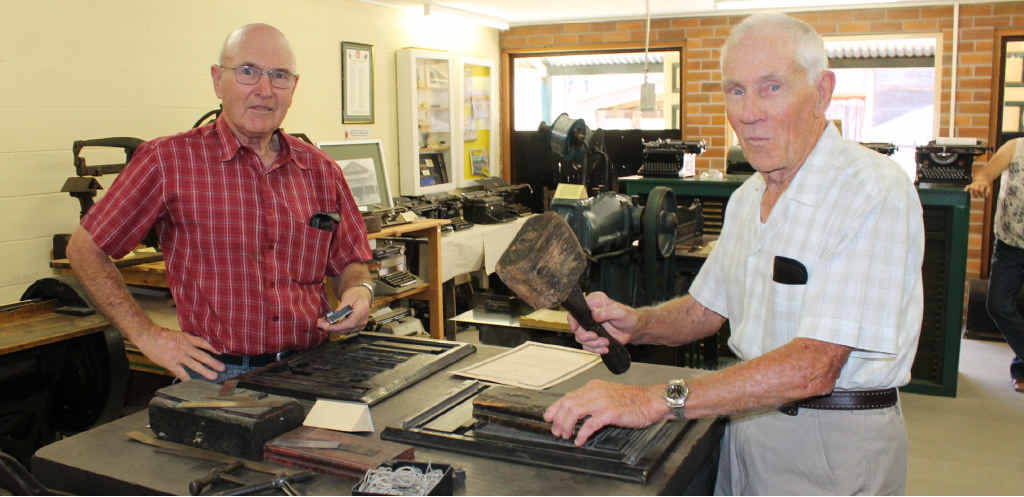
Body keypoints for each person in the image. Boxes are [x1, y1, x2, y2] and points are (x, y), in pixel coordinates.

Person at [544, 13, 924, 495]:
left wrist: (656, 398)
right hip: (742, 424)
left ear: (823, 91)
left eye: (772, 88)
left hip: (833, 450)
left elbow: (814, 366)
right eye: (736, 91)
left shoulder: (872, 191)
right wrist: (637, 323)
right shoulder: (747, 198)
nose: (749, 112)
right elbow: (706, 309)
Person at [67, 23, 374, 383]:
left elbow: (350, 262)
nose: (264, 90)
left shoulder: (320, 169)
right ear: (217, 80)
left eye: (279, 76)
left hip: (313, 365)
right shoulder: (167, 161)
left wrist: (359, 290)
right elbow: (84, 250)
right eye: (247, 72)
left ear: (294, 88)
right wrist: (146, 335)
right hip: (218, 376)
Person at [965, 137, 1024, 393]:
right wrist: (981, 181)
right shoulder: (1015, 147)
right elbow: (988, 172)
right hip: (1010, 244)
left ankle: (1021, 368)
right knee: (997, 304)